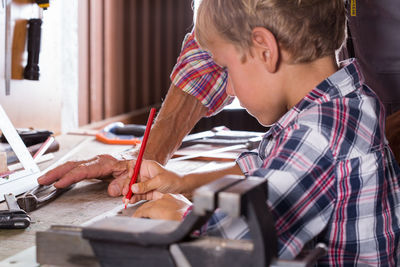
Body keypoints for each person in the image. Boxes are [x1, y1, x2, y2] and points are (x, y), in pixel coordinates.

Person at [124, 0, 400, 265]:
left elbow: (237, 246)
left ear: (265, 50)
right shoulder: (346, 103)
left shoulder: (319, 136)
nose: (229, 89)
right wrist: (184, 183)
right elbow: (266, 171)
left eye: (227, 68)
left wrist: (184, 218)